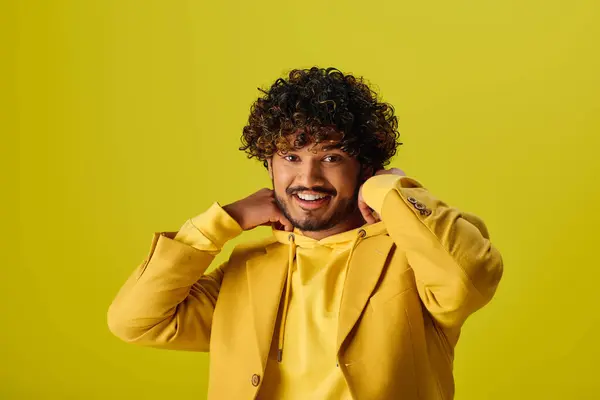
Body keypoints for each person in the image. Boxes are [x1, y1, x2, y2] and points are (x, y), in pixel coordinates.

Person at [107, 67, 503, 400]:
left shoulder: (410, 258)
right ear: (270, 166)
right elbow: (135, 321)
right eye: (291, 157)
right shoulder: (245, 270)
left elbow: (469, 278)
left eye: (331, 157)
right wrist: (221, 221)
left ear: (364, 168)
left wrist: (391, 192)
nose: (308, 178)